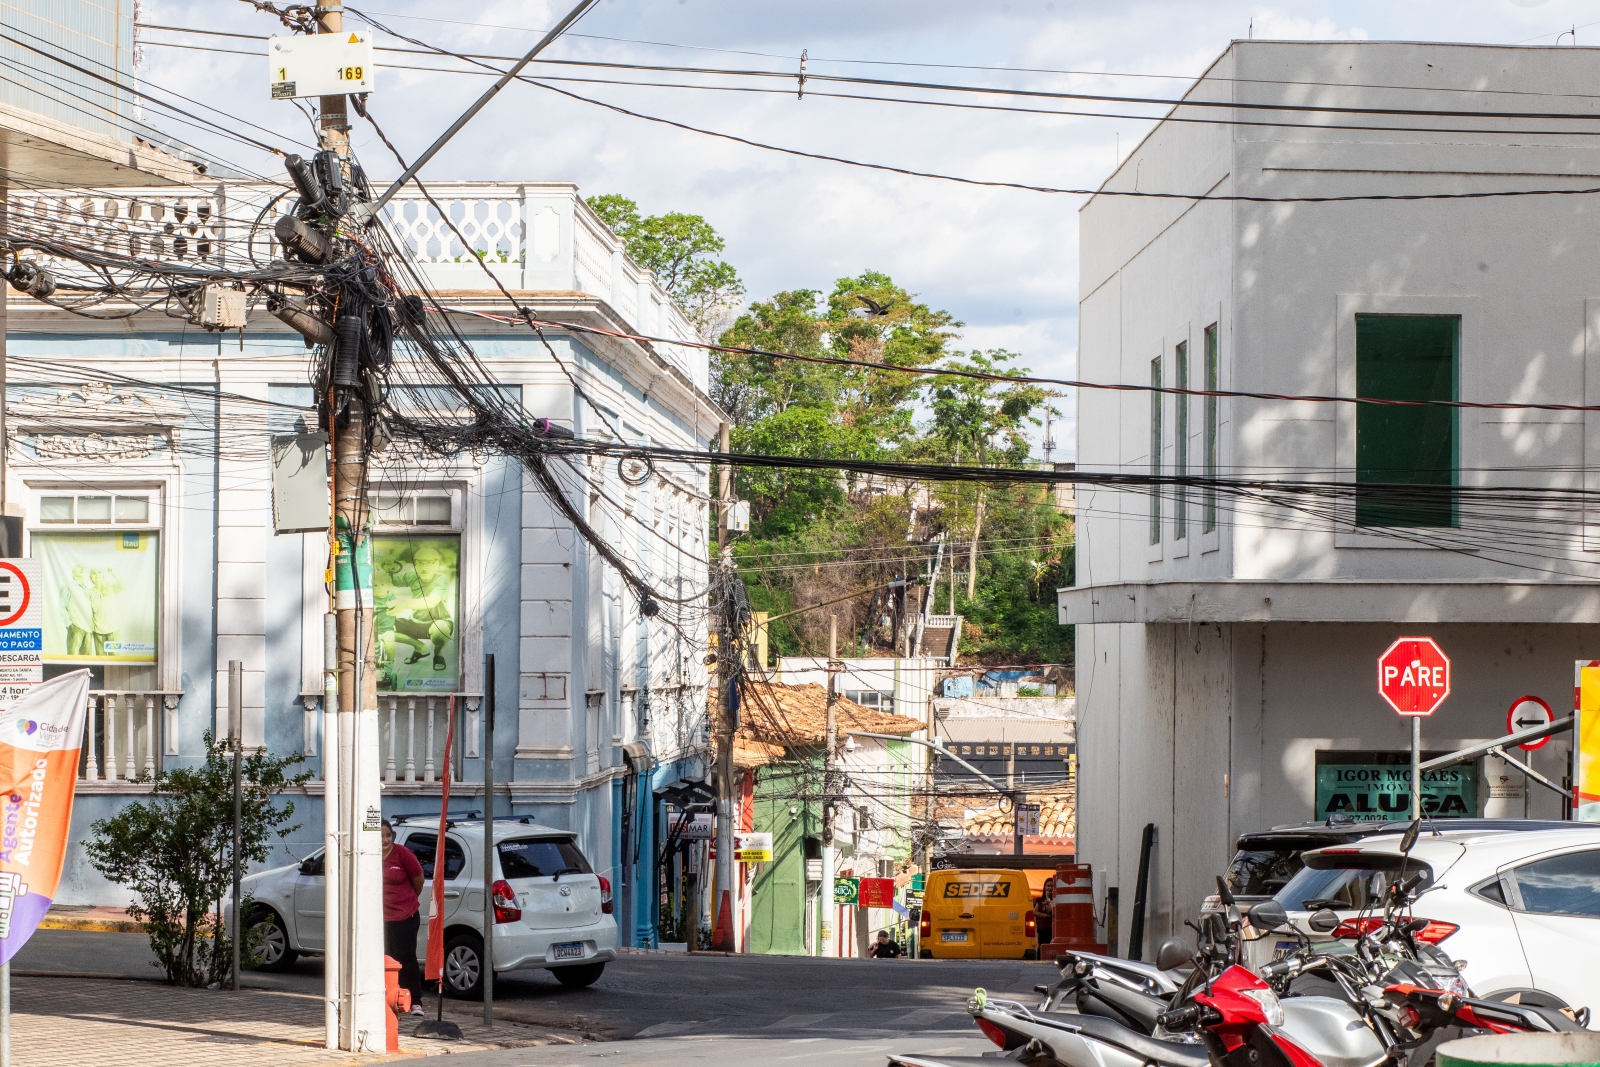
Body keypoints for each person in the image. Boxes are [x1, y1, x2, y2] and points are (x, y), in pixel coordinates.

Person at [380, 819, 427, 1015]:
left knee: (406, 957)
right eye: (380, 836)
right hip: (379, 917)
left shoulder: (402, 854)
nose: (384, 840)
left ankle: (415, 1001)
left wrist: (406, 901)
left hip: (405, 915)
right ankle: (389, 997)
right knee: (385, 957)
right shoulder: (366, 855)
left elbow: (419, 879)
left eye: (388, 835)